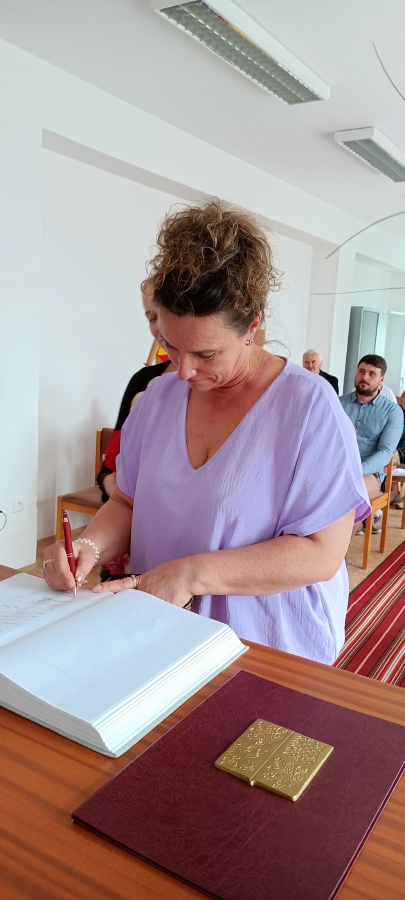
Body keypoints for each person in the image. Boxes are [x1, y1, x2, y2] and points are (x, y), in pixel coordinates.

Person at [43, 199, 370, 665]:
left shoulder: (308, 408)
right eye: (171, 348)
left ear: (252, 326)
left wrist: (191, 574)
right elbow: (127, 502)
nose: (184, 372)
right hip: (160, 632)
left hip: (266, 647)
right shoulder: (157, 399)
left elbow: (321, 554)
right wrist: (88, 546)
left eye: (206, 354)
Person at [96, 281, 176, 578]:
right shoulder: (143, 382)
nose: (159, 328)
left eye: (164, 315)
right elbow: (109, 467)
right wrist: (117, 492)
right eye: (151, 317)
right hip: (130, 539)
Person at [339, 354, 403, 532]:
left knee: (349, 495)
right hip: (336, 467)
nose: (365, 377)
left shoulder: (392, 411)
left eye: (371, 374)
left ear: (381, 380)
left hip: (369, 474)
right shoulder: (338, 403)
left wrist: (356, 470)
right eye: (361, 371)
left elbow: (385, 452)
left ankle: (340, 548)